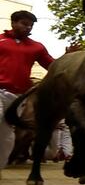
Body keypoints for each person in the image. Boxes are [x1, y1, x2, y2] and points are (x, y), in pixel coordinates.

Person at [0, 11, 54, 176]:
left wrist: (68, 56)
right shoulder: (1, 41)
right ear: (13, 23)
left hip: (18, 96)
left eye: (30, 25)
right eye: (24, 23)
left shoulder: (36, 46)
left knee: (7, 132)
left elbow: (52, 65)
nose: (28, 27)